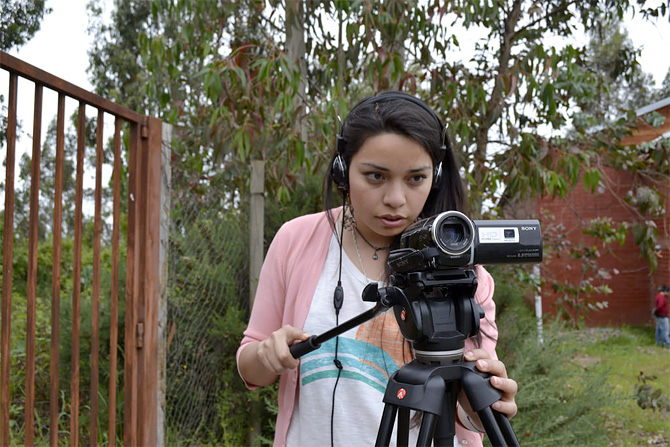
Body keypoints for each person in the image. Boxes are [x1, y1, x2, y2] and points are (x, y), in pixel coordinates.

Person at [236, 91, 518, 447]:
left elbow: (468, 417)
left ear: (436, 176)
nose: (396, 199)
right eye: (375, 176)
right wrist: (266, 355)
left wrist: (488, 399)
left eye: (416, 178)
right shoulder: (296, 240)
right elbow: (250, 368)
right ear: (343, 171)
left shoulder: (463, 273)